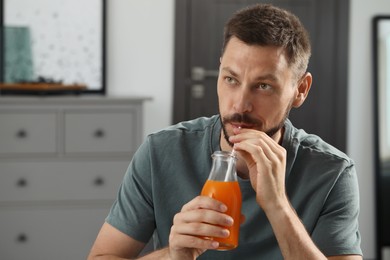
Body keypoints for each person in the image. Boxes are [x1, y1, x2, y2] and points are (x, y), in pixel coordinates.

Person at [88, 4, 362, 260]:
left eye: (263, 86)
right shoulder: (161, 152)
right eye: (231, 79)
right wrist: (174, 254)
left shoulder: (333, 173)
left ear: (300, 89)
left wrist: (278, 206)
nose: (240, 104)